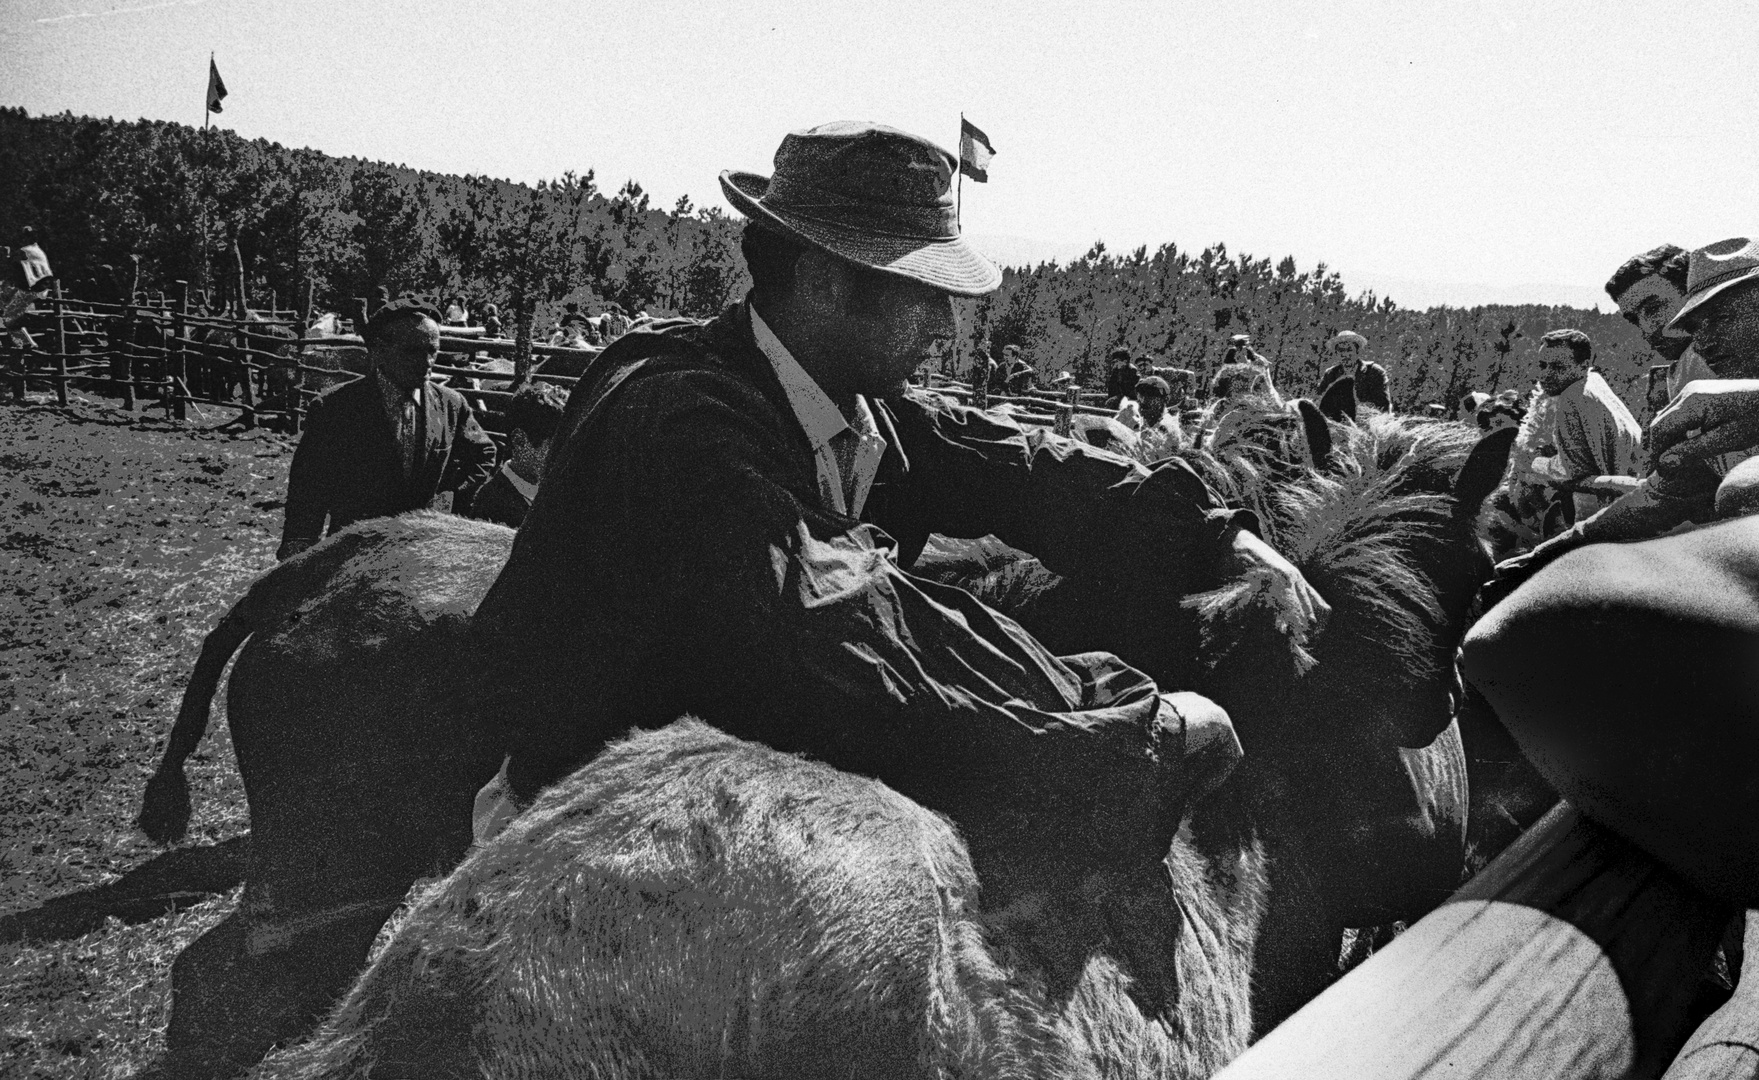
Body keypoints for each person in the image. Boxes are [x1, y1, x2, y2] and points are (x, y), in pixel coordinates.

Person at [466, 121, 1328, 928]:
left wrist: (1213, 533)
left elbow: (1015, 464)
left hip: (710, 809)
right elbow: (835, 609)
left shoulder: (835, 399)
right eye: (922, 293)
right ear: (821, 281)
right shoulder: (681, 419)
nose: (947, 325)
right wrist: (1117, 725)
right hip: (583, 842)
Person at [277, 297, 498, 561]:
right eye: (412, 351)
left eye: (432, 351)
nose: (427, 362)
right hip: (354, 556)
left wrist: (451, 497)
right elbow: (308, 490)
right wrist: (298, 550)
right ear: (380, 351)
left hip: (424, 552)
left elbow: (484, 454)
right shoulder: (335, 409)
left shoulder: (451, 404)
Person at [1521, 329, 1642, 525]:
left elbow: (1572, 472)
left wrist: (1535, 462)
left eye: (1558, 367)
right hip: (1629, 500)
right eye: (1543, 365)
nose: (1546, 375)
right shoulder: (1594, 383)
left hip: (1603, 515)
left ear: (1584, 365)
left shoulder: (1571, 398)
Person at [1605, 243, 1715, 401]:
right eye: (1634, 320)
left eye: (1654, 308)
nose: (1646, 329)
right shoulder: (1684, 367)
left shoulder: (1704, 362)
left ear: (1692, 296)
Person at [471, 381, 568, 529]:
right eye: (554, 447)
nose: (563, 457)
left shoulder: (559, 492)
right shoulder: (491, 505)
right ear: (520, 441)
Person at [1317, 331, 1391, 412]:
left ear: (1357, 351)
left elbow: (1383, 405)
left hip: (1372, 420)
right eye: (1341, 350)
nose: (1345, 354)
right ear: (1336, 353)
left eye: (1349, 350)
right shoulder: (1331, 374)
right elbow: (1320, 402)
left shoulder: (1374, 371)